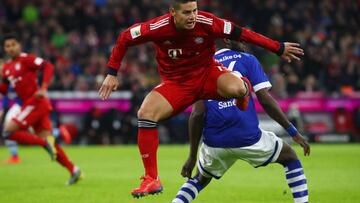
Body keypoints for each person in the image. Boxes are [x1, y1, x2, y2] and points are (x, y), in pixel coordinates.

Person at [99, 0, 304, 197]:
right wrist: (112, 72)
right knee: (145, 113)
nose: (193, 17)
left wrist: (278, 48)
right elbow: (126, 37)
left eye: (195, 10)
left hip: (208, 76)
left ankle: (243, 91)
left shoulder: (207, 22)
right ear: (172, 12)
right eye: (187, 12)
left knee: (237, 88)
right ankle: (151, 178)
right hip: (177, 84)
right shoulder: (157, 27)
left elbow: (243, 34)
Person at [172, 42, 310, 203]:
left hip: (215, 141)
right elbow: (265, 100)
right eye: (239, 38)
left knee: (200, 179)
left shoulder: (201, 66)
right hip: (247, 137)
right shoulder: (248, 59)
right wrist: (294, 132)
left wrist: (192, 157)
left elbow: (197, 114)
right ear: (227, 40)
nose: (244, 42)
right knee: (290, 157)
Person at [0, 33, 81, 185]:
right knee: (50, 143)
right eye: (7, 46)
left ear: (19, 45)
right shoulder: (6, 69)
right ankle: (74, 170)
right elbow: (3, 90)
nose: (10, 48)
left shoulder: (27, 59)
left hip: (36, 102)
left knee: (8, 131)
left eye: (13, 44)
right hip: (31, 105)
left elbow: (48, 66)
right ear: (4, 49)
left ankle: (45, 142)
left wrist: (43, 87)